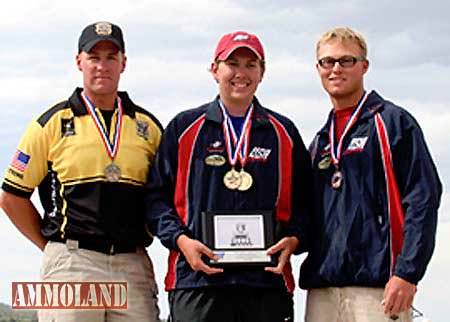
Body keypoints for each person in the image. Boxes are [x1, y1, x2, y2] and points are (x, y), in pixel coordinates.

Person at [0, 21, 162, 321]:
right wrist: (52, 248)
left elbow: (165, 196)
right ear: (79, 62)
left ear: (124, 63)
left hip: (132, 262)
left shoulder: (148, 128)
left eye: (111, 57)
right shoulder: (50, 123)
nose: (102, 66)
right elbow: (11, 197)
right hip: (73, 261)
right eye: (93, 57)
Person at [145, 31, 311, 322]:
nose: (241, 73)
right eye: (232, 63)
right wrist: (181, 241)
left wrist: (295, 239)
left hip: (266, 283)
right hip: (197, 280)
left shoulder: (284, 132)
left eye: (251, 64)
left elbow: (307, 202)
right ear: (214, 69)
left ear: (262, 72)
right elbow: (155, 199)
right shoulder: (184, 128)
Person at [300, 26, 442, 322]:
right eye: (327, 62)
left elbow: (423, 200)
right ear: (318, 69)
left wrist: (407, 273)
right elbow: (305, 217)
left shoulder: (393, 123)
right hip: (323, 289)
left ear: (364, 66)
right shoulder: (320, 142)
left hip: (379, 287)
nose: (336, 69)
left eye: (346, 60)